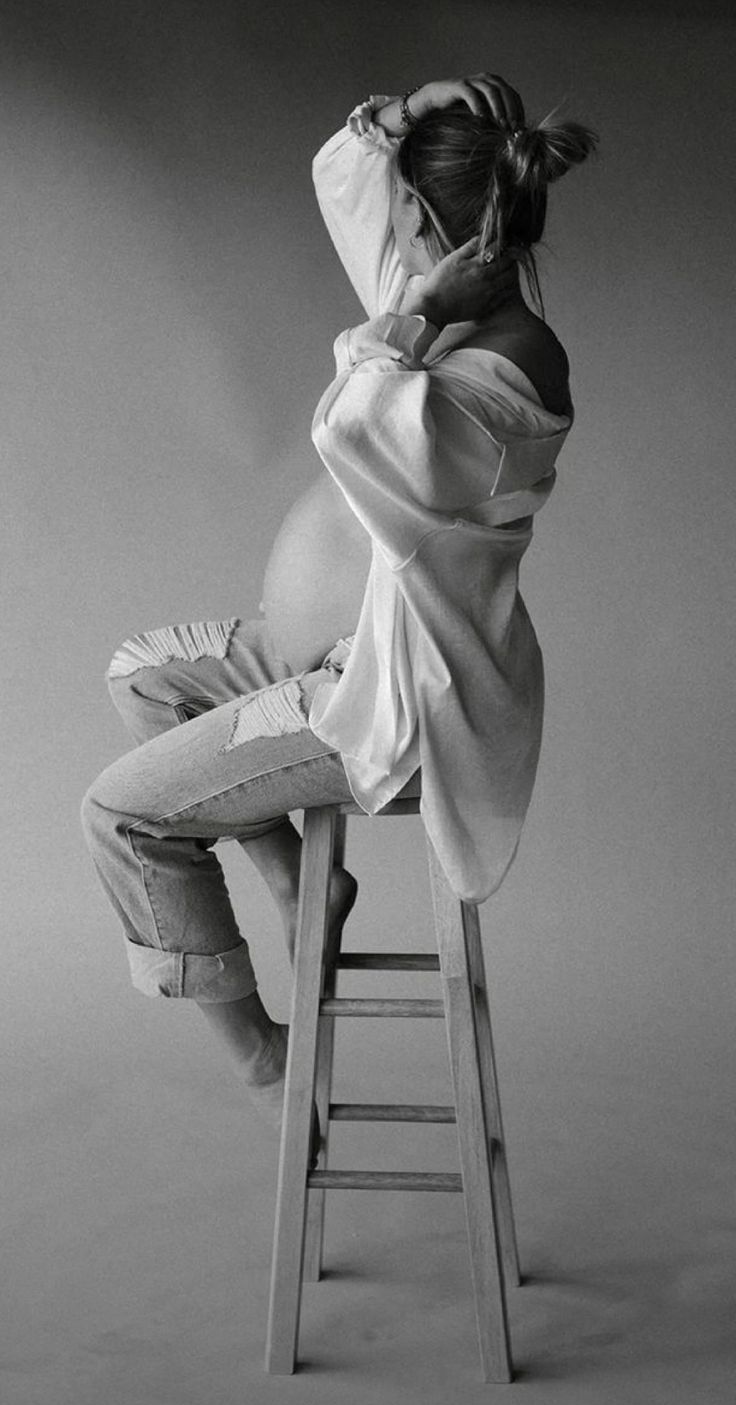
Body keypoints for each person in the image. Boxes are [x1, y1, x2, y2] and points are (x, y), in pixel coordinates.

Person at [81, 74, 597, 1137]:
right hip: (301, 650)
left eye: (403, 214)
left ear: (428, 229)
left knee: (121, 816)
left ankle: (267, 1060)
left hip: (372, 698)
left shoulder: (492, 384)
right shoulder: (438, 315)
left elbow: (350, 429)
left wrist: (411, 310)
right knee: (140, 671)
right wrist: (408, 113)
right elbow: (339, 178)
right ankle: (292, 889)